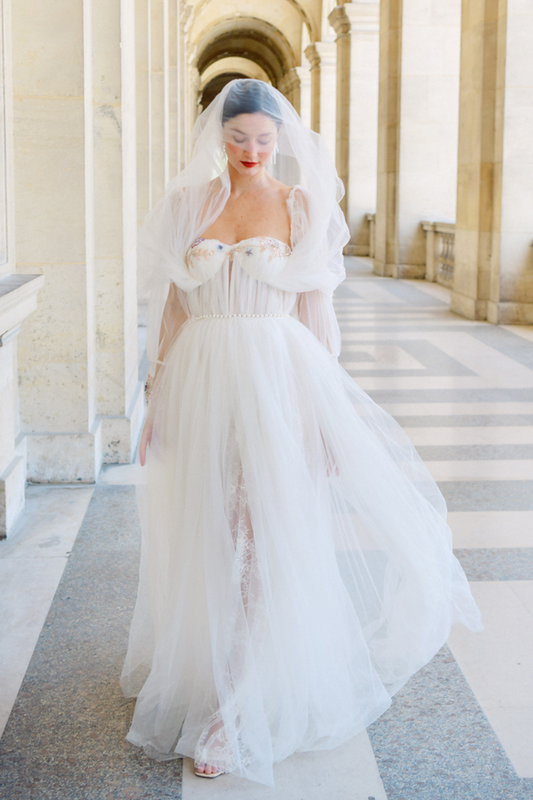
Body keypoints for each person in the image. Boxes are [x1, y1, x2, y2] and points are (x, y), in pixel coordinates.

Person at [120, 79, 482, 787]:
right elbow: (172, 309)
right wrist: (155, 399)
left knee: (260, 533)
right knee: (208, 530)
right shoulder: (185, 205)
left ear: (280, 140)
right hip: (199, 380)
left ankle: (234, 705)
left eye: (263, 139)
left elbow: (316, 318)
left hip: (276, 379)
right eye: (237, 138)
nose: (251, 152)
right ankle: (213, 672)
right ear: (217, 139)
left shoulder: (301, 205)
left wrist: (321, 418)